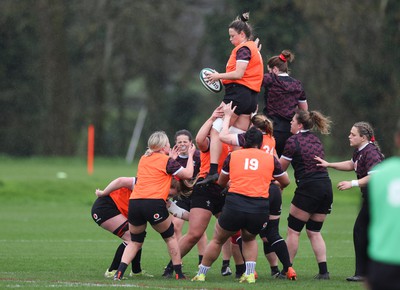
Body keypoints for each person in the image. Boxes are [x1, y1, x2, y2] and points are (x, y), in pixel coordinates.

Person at [191, 127, 290, 283]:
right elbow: (286, 181)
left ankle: (202, 274)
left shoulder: (233, 156)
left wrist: (233, 183)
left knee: (217, 239)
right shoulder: (270, 158)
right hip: (259, 208)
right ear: (260, 142)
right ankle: (249, 274)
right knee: (249, 239)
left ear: (244, 141)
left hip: (235, 205)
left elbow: (222, 181)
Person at [219, 101, 296, 280]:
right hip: (273, 189)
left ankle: (248, 270)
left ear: (252, 127)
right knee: (271, 233)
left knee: (243, 232)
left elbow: (223, 136)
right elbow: (278, 165)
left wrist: (228, 117)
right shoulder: (271, 139)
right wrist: (280, 186)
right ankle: (285, 268)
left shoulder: (248, 139)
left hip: (254, 189)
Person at [113, 131, 196, 280]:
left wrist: (171, 158)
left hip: (135, 202)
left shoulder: (144, 158)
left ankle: (119, 273)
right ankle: (178, 273)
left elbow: (158, 171)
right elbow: (189, 174)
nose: (170, 145)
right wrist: (190, 155)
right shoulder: (167, 161)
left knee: (135, 241)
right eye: (168, 143)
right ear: (164, 145)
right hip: (153, 203)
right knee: (170, 238)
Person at [162, 106, 231, 278]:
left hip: (225, 189)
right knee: (194, 233)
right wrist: (212, 117)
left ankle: (234, 268)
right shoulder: (210, 142)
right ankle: (172, 267)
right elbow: (200, 139)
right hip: (206, 188)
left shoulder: (235, 141)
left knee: (232, 230)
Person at [198, 11, 264, 185]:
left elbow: (239, 73)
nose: (230, 39)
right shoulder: (252, 49)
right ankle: (237, 176)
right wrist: (241, 19)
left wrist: (218, 76)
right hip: (250, 98)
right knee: (238, 135)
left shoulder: (243, 49)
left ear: (242, 35)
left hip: (237, 95)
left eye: (232, 36)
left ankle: (213, 171)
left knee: (216, 130)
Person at [315, 121, 384, 282]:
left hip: (377, 198)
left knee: (361, 231)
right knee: (366, 233)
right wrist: (329, 164)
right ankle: (367, 271)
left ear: (364, 137)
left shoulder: (371, 152)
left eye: (353, 134)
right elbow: (352, 164)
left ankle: (363, 273)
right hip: (370, 198)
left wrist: (352, 183)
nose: (349, 136)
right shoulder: (361, 151)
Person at [279, 109, 333, 280]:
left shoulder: (292, 141)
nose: (290, 123)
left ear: (300, 124)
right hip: (325, 187)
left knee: (293, 231)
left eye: (292, 121)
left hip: (309, 188)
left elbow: (280, 169)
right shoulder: (316, 140)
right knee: (314, 231)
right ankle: (324, 272)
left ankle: (286, 269)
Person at [91, 177, 152, 278]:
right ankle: (112, 271)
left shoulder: (157, 187)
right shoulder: (146, 182)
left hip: (113, 209)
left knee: (138, 236)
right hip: (105, 208)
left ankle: (136, 271)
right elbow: (121, 181)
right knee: (131, 238)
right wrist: (103, 193)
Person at [367, 119, 400, 290]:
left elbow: (366, 224)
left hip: (384, 264)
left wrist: (366, 271)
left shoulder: (381, 175)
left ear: (397, 139)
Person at [169, 129, 207, 266]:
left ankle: (202, 261)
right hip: (181, 196)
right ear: (175, 144)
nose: (182, 144)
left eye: (185, 141)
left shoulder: (199, 156)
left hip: (197, 196)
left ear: (191, 143)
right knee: (175, 226)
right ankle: (178, 260)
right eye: (179, 142)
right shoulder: (173, 158)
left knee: (198, 229)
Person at [262, 50, 308, 157]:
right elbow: (304, 111)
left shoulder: (271, 79)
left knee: (267, 163)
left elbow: (252, 81)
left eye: (269, 70)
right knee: (281, 166)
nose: (268, 73)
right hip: (289, 132)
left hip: (271, 129)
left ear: (275, 69)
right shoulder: (297, 84)